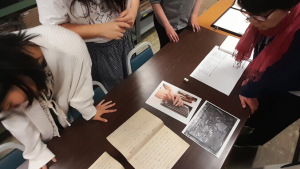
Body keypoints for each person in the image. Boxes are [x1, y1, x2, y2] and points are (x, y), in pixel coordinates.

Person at [0, 25, 116, 169]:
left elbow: (80, 84)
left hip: (66, 126)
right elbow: (17, 123)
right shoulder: (7, 87)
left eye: (11, 105)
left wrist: (89, 111)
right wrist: (37, 153)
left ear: (17, 77)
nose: (13, 109)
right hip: (50, 142)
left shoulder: (68, 47)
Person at [234, 0, 300, 146]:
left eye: (261, 16)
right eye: (249, 14)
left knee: (272, 121)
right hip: (270, 80)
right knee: (258, 107)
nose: (252, 21)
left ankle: (251, 141)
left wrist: (251, 87)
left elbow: (284, 69)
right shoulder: (270, 17)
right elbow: (266, 50)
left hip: (293, 88)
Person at [36, 0, 139, 91]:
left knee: (133, 85)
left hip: (123, 39)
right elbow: (53, 30)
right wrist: (100, 30)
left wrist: (132, 10)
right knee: (113, 95)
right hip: (93, 50)